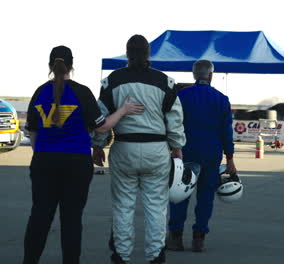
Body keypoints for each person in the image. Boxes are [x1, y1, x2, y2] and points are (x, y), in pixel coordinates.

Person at [23, 45, 144, 264]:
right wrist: (123, 110)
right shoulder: (82, 92)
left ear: (50, 66)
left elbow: (32, 129)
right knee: (71, 220)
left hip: (44, 163)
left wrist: (40, 152)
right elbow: (101, 127)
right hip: (76, 164)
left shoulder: (39, 92)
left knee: (39, 217)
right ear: (72, 66)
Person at [91, 35, 185, 264]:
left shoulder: (112, 81)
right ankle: (155, 255)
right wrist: (177, 148)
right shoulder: (165, 82)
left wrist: (98, 145)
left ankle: (122, 255)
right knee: (156, 206)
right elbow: (175, 120)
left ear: (127, 53)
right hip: (157, 150)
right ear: (148, 53)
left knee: (123, 205)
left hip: (124, 148)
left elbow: (101, 118)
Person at [166, 60, 237, 252]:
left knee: (180, 196)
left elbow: (172, 125)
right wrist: (230, 158)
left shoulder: (181, 96)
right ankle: (199, 239)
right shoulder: (222, 99)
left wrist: (171, 148)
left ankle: (175, 237)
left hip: (185, 151)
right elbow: (226, 132)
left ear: (194, 75)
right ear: (211, 75)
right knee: (206, 197)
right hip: (212, 154)